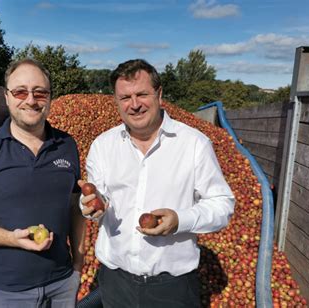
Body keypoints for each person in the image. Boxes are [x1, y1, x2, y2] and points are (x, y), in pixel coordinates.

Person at [78, 59, 235, 308]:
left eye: (142, 94)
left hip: (172, 289)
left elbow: (222, 205)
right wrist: (90, 205)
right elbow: (98, 198)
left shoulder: (193, 144)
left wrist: (180, 220)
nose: (135, 104)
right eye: (125, 97)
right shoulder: (102, 145)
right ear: (116, 102)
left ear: (159, 94)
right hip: (116, 283)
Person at [0, 58, 85, 308]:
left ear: (50, 98)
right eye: (20, 91)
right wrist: (12, 238)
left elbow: (76, 207)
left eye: (40, 93)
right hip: (2, 292)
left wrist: (78, 263)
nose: (31, 100)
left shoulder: (67, 145)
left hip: (61, 285)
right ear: (7, 97)